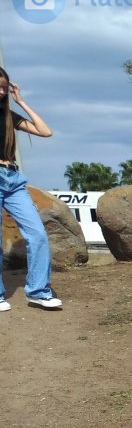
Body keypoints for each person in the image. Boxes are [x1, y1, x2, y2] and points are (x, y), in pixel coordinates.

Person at [0, 68, 62, 312]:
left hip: (13, 179)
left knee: (37, 234)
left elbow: (45, 131)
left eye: (4, 87)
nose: (1, 91)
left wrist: (21, 101)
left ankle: (38, 291)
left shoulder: (9, 116)